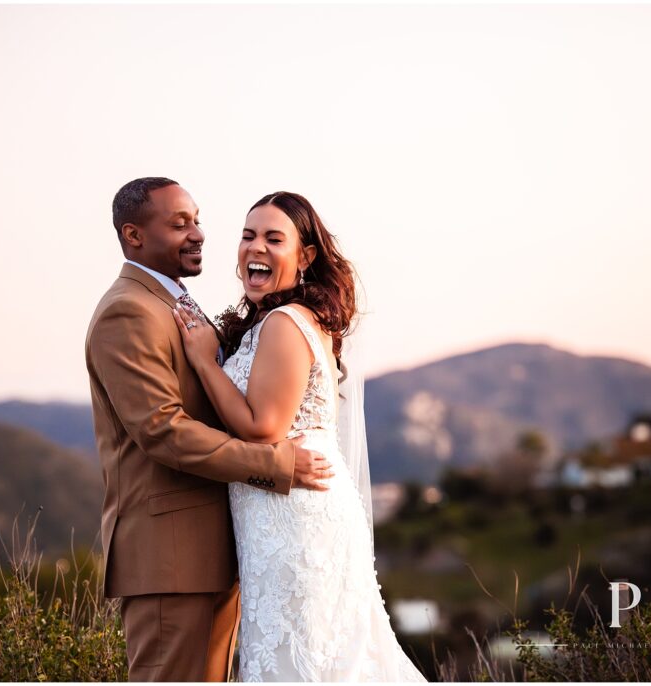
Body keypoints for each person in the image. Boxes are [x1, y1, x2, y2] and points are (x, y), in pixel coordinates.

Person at [85, 177, 334, 682]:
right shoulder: (127, 310)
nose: (198, 233)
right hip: (169, 555)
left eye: (197, 220)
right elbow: (162, 430)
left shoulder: (176, 301)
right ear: (134, 235)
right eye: (179, 224)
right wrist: (276, 462)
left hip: (220, 548)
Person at [172, 191, 427, 681]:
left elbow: (263, 427)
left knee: (308, 657)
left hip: (297, 519)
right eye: (247, 236)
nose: (255, 248)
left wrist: (205, 362)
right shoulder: (273, 321)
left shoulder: (286, 323)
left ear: (305, 256)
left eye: (273, 238)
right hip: (274, 511)